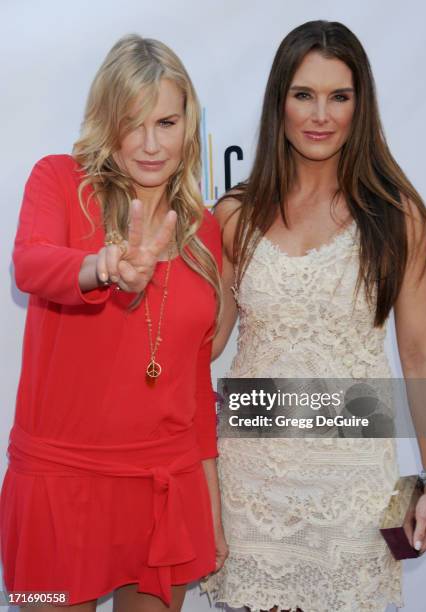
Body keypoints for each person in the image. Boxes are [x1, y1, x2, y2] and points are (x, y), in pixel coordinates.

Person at [201, 20, 426, 612]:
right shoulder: (236, 214)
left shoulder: (395, 216)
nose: (321, 114)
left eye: (339, 96)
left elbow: (420, 353)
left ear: (360, 106)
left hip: (353, 494)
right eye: (303, 94)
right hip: (250, 485)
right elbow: (206, 344)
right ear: (278, 102)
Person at [0, 34, 228, 611]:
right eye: (132, 123)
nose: (151, 145)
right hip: (61, 484)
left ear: (189, 126)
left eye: (167, 123)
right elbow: (29, 262)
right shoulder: (59, 181)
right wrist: (98, 269)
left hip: (165, 489)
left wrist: (213, 510)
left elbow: (195, 387)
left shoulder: (204, 234)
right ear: (106, 121)